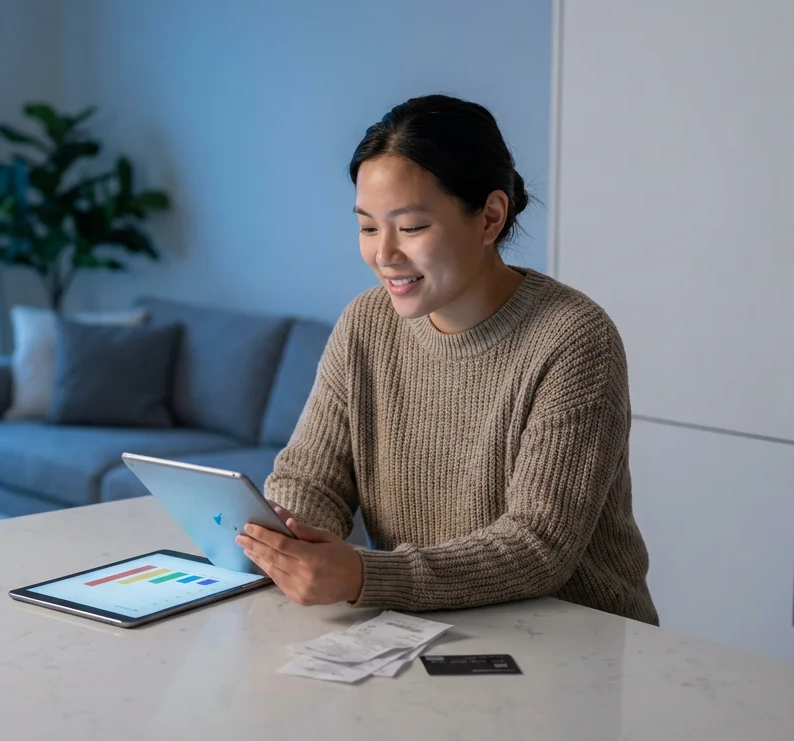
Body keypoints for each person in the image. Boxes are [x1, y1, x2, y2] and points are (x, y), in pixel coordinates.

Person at [236, 94, 658, 625]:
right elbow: (310, 478)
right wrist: (285, 533)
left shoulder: (572, 339)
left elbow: (538, 546)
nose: (384, 254)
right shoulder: (367, 323)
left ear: (490, 217)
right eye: (368, 227)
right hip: (426, 630)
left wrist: (365, 576)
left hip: (570, 638)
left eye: (410, 227)